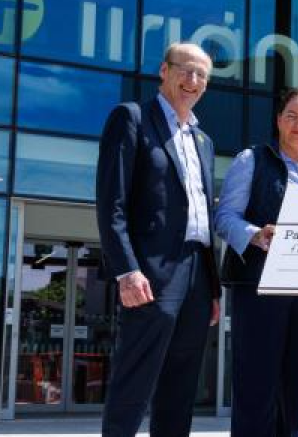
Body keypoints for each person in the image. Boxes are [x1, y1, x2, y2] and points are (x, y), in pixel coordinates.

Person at [96, 42, 221, 437]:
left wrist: (212, 288)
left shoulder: (203, 140)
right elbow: (112, 204)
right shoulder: (132, 118)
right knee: (135, 378)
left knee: (180, 386)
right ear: (164, 71)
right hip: (151, 272)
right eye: (186, 70)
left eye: (202, 75)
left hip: (197, 274)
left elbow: (203, 216)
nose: (193, 80)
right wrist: (127, 270)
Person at [214, 88, 298, 436]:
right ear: (278, 120)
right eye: (291, 116)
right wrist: (255, 234)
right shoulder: (251, 160)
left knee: (295, 385)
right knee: (256, 382)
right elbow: (224, 217)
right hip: (259, 286)